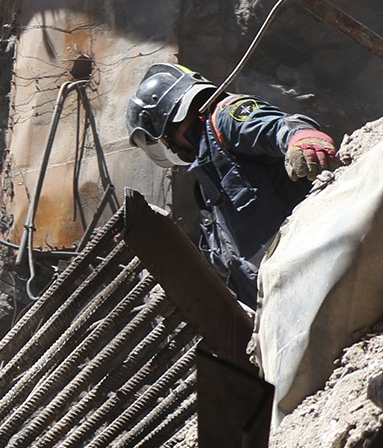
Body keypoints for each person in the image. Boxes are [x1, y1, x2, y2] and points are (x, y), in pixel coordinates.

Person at [126, 63, 340, 303]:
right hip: (288, 293)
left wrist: (303, 138)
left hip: (322, 260)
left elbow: (275, 126)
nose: (165, 146)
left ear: (163, 125)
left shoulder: (225, 117)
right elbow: (228, 261)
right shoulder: (207, 180)